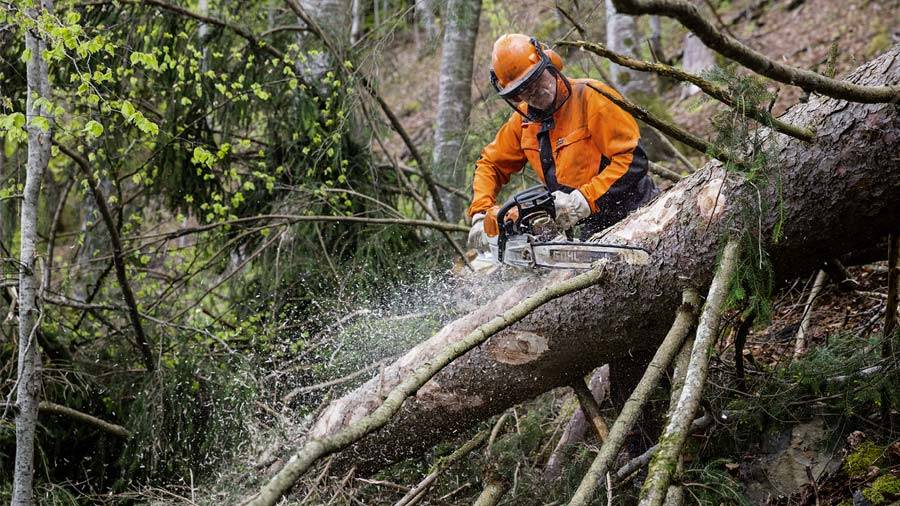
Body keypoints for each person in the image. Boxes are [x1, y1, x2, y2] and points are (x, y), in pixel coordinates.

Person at [468, 34, 658, 252]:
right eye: (522, 90)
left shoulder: (591, 97)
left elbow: (633, 161)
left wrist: (582, 201)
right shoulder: (523, 122)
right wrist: (481, 213)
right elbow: (491, 163)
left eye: (535, 80)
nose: (533, 92)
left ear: (548, 64)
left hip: (638, 210)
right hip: (593, 229)